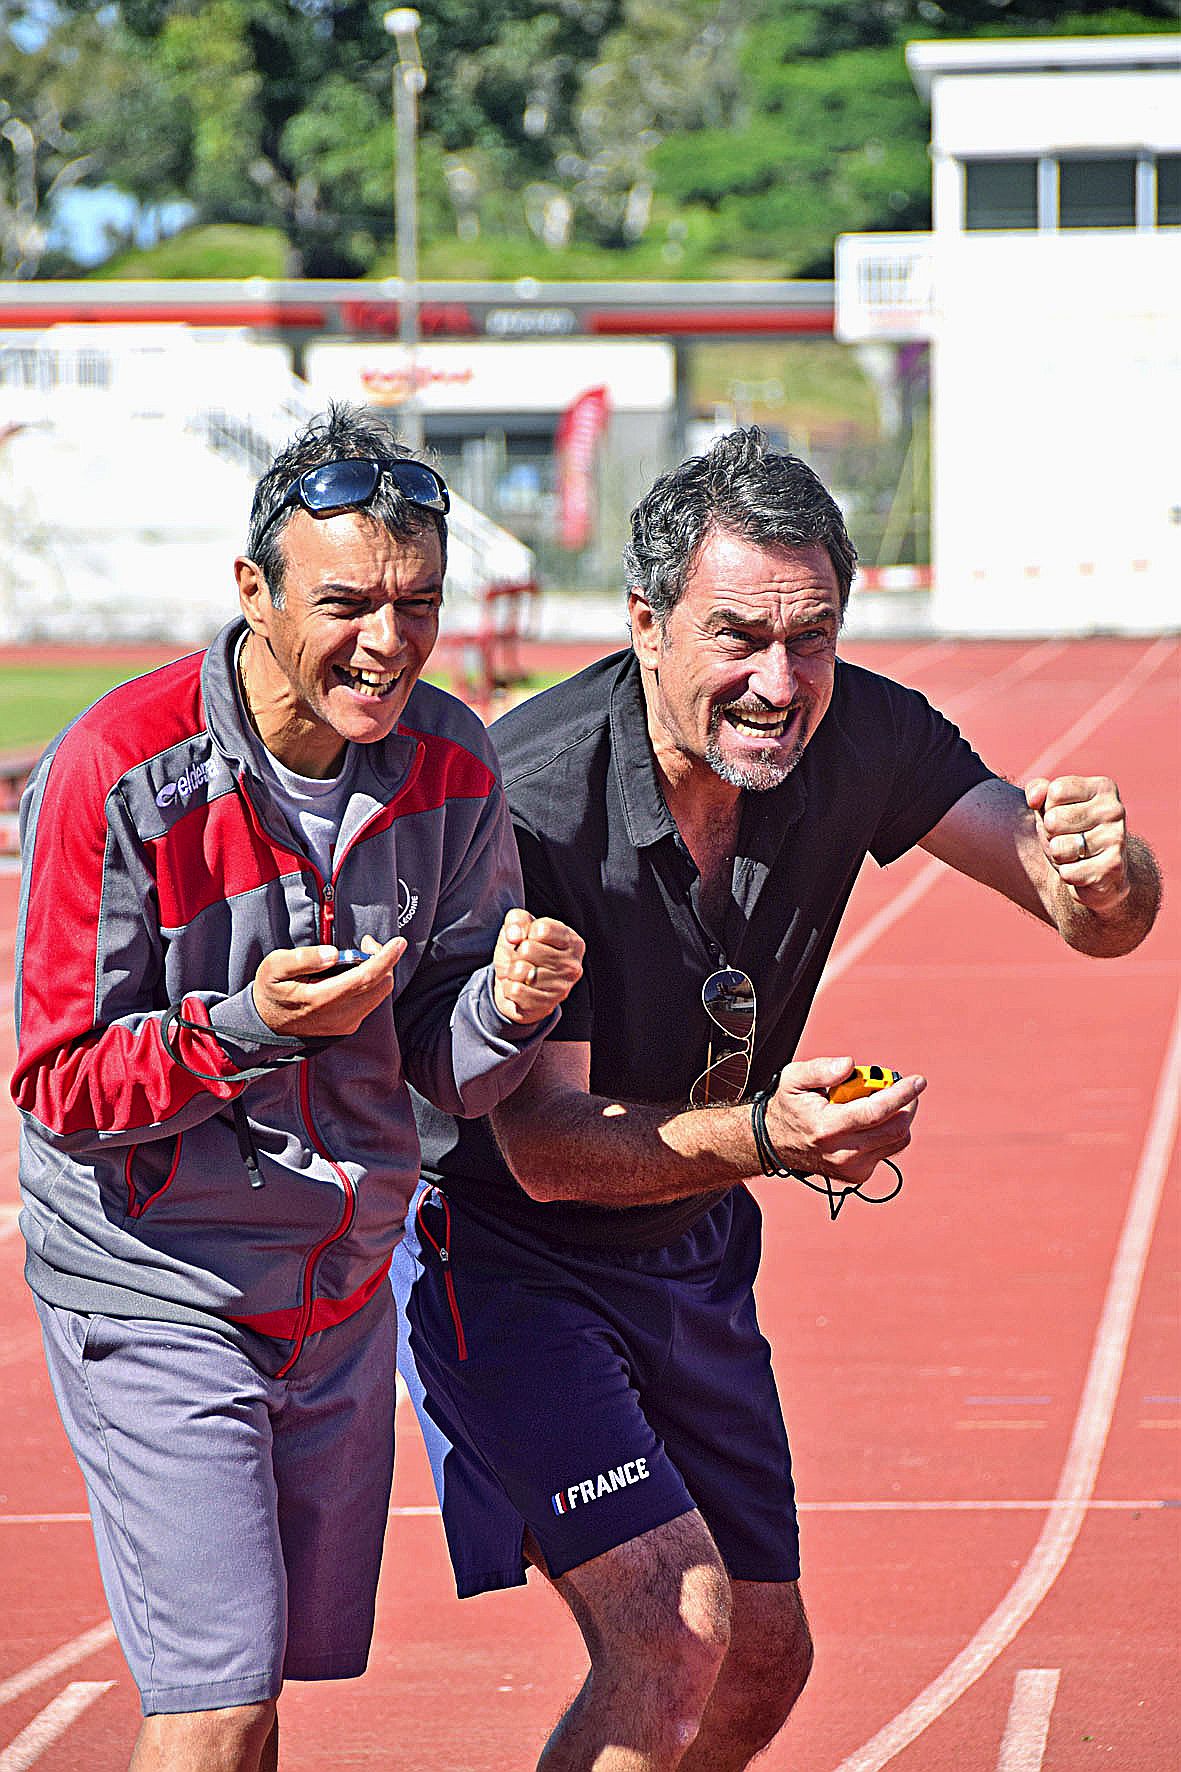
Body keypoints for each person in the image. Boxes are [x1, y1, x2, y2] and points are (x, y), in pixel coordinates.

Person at [393, 427, 1161, 1772]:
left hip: (688, 1246)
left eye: (810, 636)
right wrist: (767, 1137)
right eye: (737, 635)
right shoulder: (533, 803)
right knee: (673, 1632)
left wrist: (1113, 875)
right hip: (511, 1260)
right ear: (643, 621)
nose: (778, 682)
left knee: (760, 1658)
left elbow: (1080, 909)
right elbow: (550, 1152)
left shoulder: (858, 728)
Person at [11, 403, 584, 1772]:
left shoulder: (450, 759)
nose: (387, 643)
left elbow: (441, 1068)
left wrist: (504, 1007)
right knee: (209, 1698)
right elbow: (57, 1080)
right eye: (345, 603)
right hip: (158, 1282)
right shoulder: (121, 770)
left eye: (416, 603)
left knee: (259, 1689)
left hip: (337, 1288)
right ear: (252, 591)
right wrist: (240, 1032)